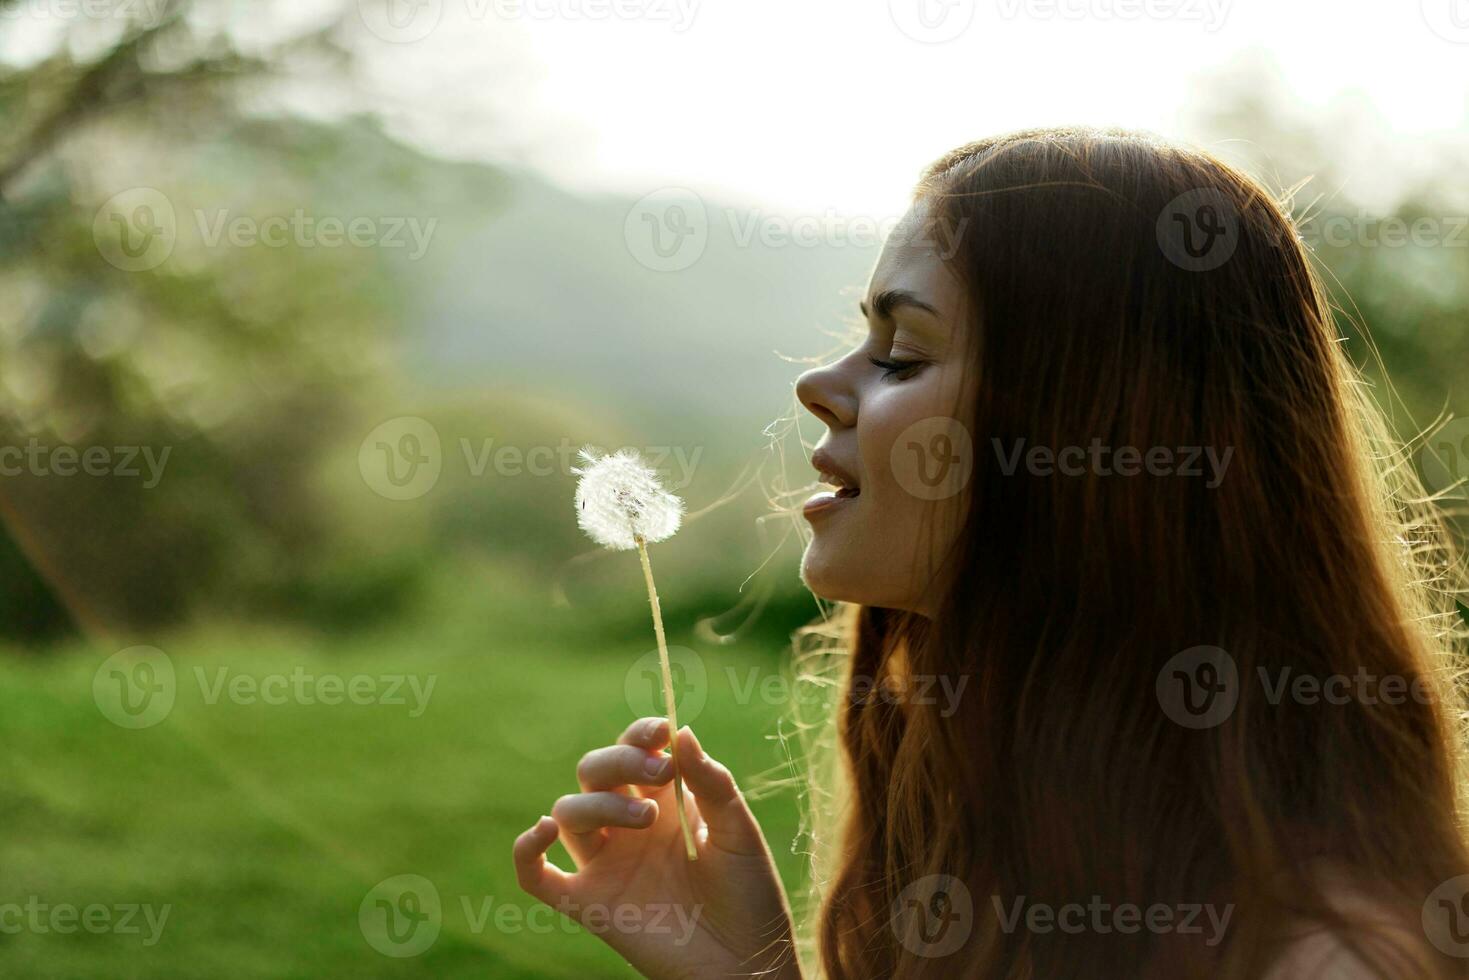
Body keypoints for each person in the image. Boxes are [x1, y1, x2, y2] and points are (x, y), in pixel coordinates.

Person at [514, 127, 1469, 978]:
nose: (816, 382)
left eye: (902, 354)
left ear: (1082, 437)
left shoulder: (1324, 958)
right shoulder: (984, 840)